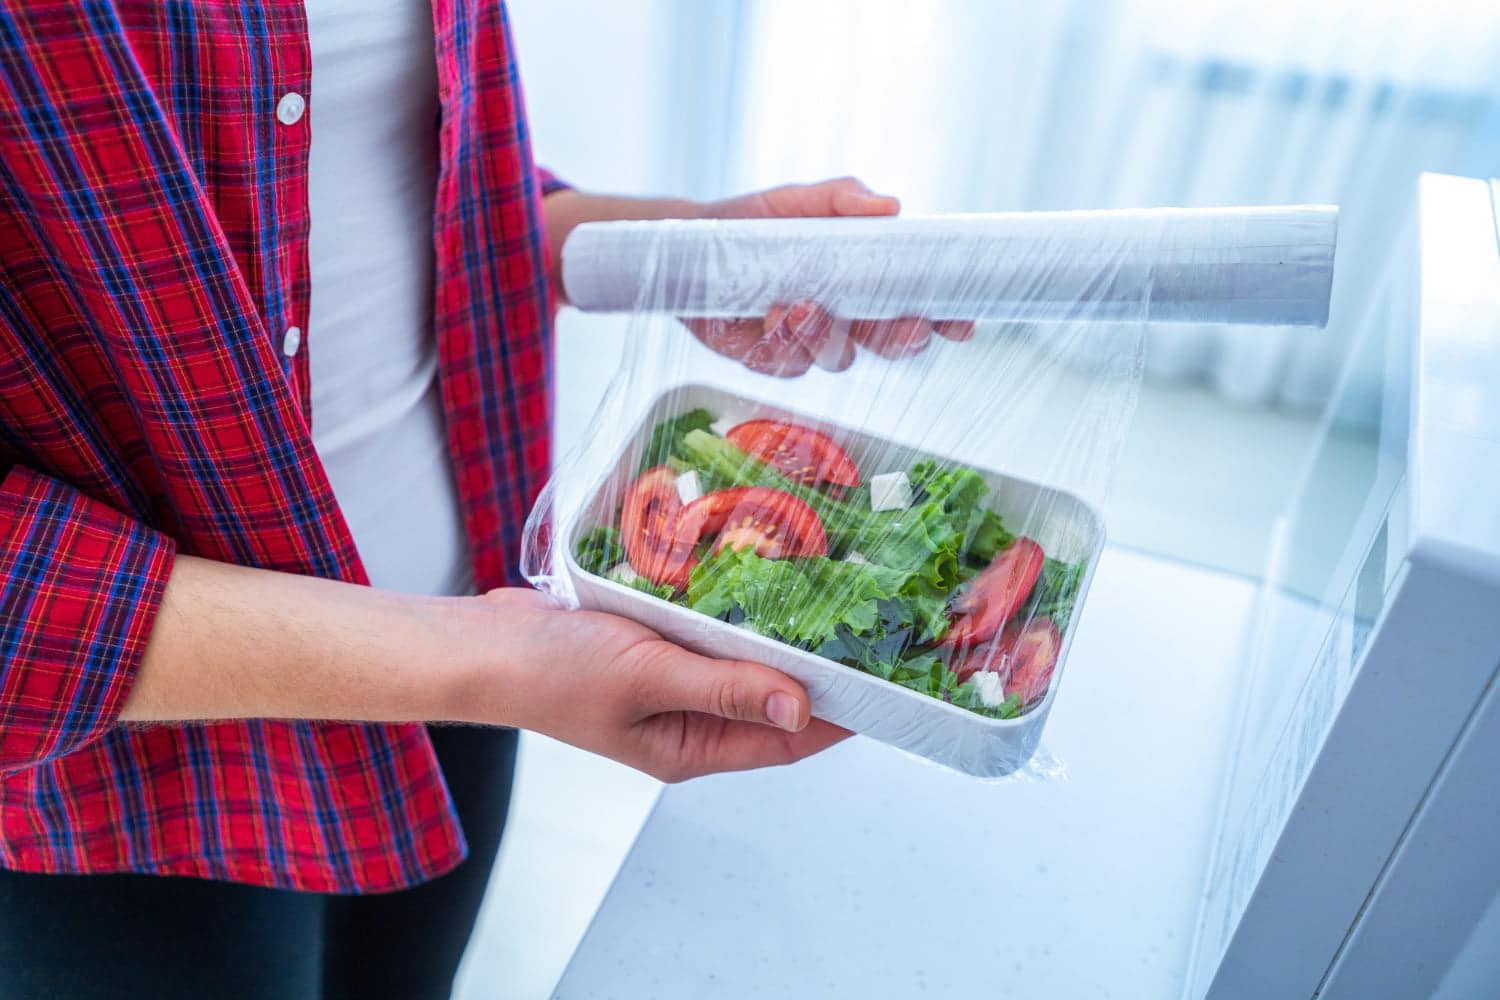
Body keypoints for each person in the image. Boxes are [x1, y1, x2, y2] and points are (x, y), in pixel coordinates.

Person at [0, 3, 967, 998]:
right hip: (130, 776)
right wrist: (494, 662)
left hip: (463, 650)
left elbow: (373, 187)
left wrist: (681, 251)